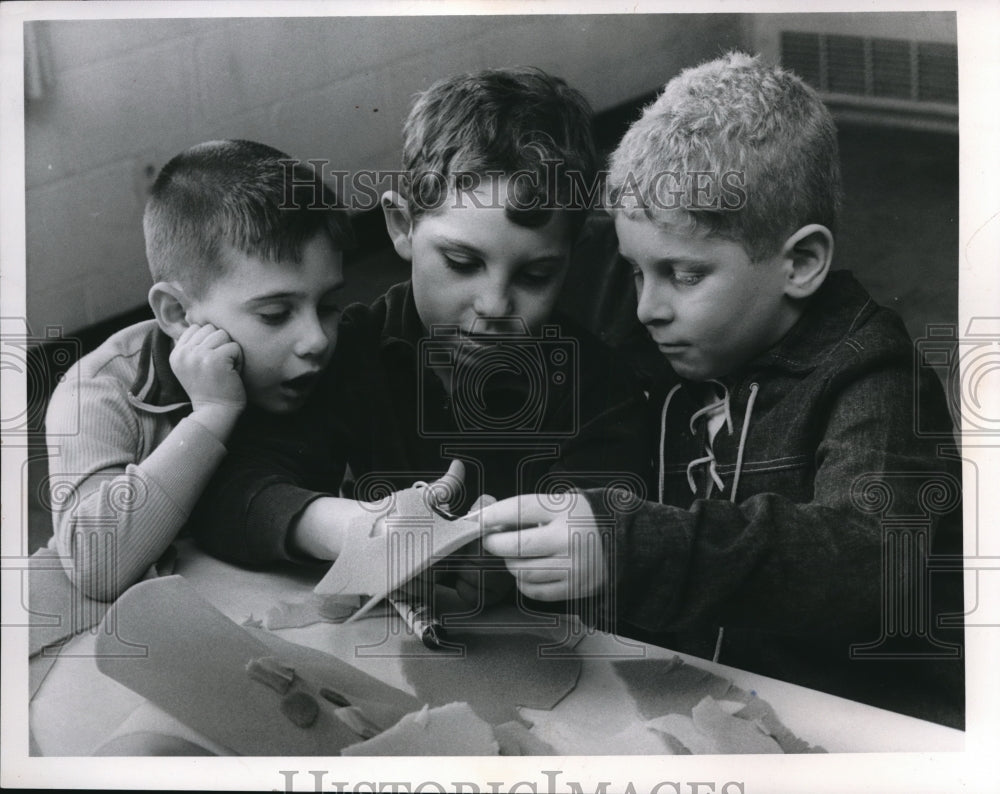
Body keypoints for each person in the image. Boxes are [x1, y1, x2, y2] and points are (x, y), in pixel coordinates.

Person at [477, 53, 964, 724]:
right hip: (697, 701)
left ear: (800, 262)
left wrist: (628, 544)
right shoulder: (662, 328)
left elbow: (872, 561)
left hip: (854, 722)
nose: (646, 307)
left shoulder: (875, 377)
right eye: (634, 271)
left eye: (682, 275)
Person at [191, 68, 649, 597]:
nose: (495, 305)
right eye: (461, 262)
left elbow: (606, 544)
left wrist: (476, 555)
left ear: (572, 258)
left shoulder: (600, 391)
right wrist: (349, 527)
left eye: (535, 276)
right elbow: (227, 495)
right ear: (402, 226)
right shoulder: (345, 353)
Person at [44, 139, 354, 601]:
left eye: (327, 304)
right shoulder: (97, 392)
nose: (316, 340)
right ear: (177, 313)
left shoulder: (326, 356)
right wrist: (211, 414)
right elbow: (97, 566)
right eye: (275, 314)